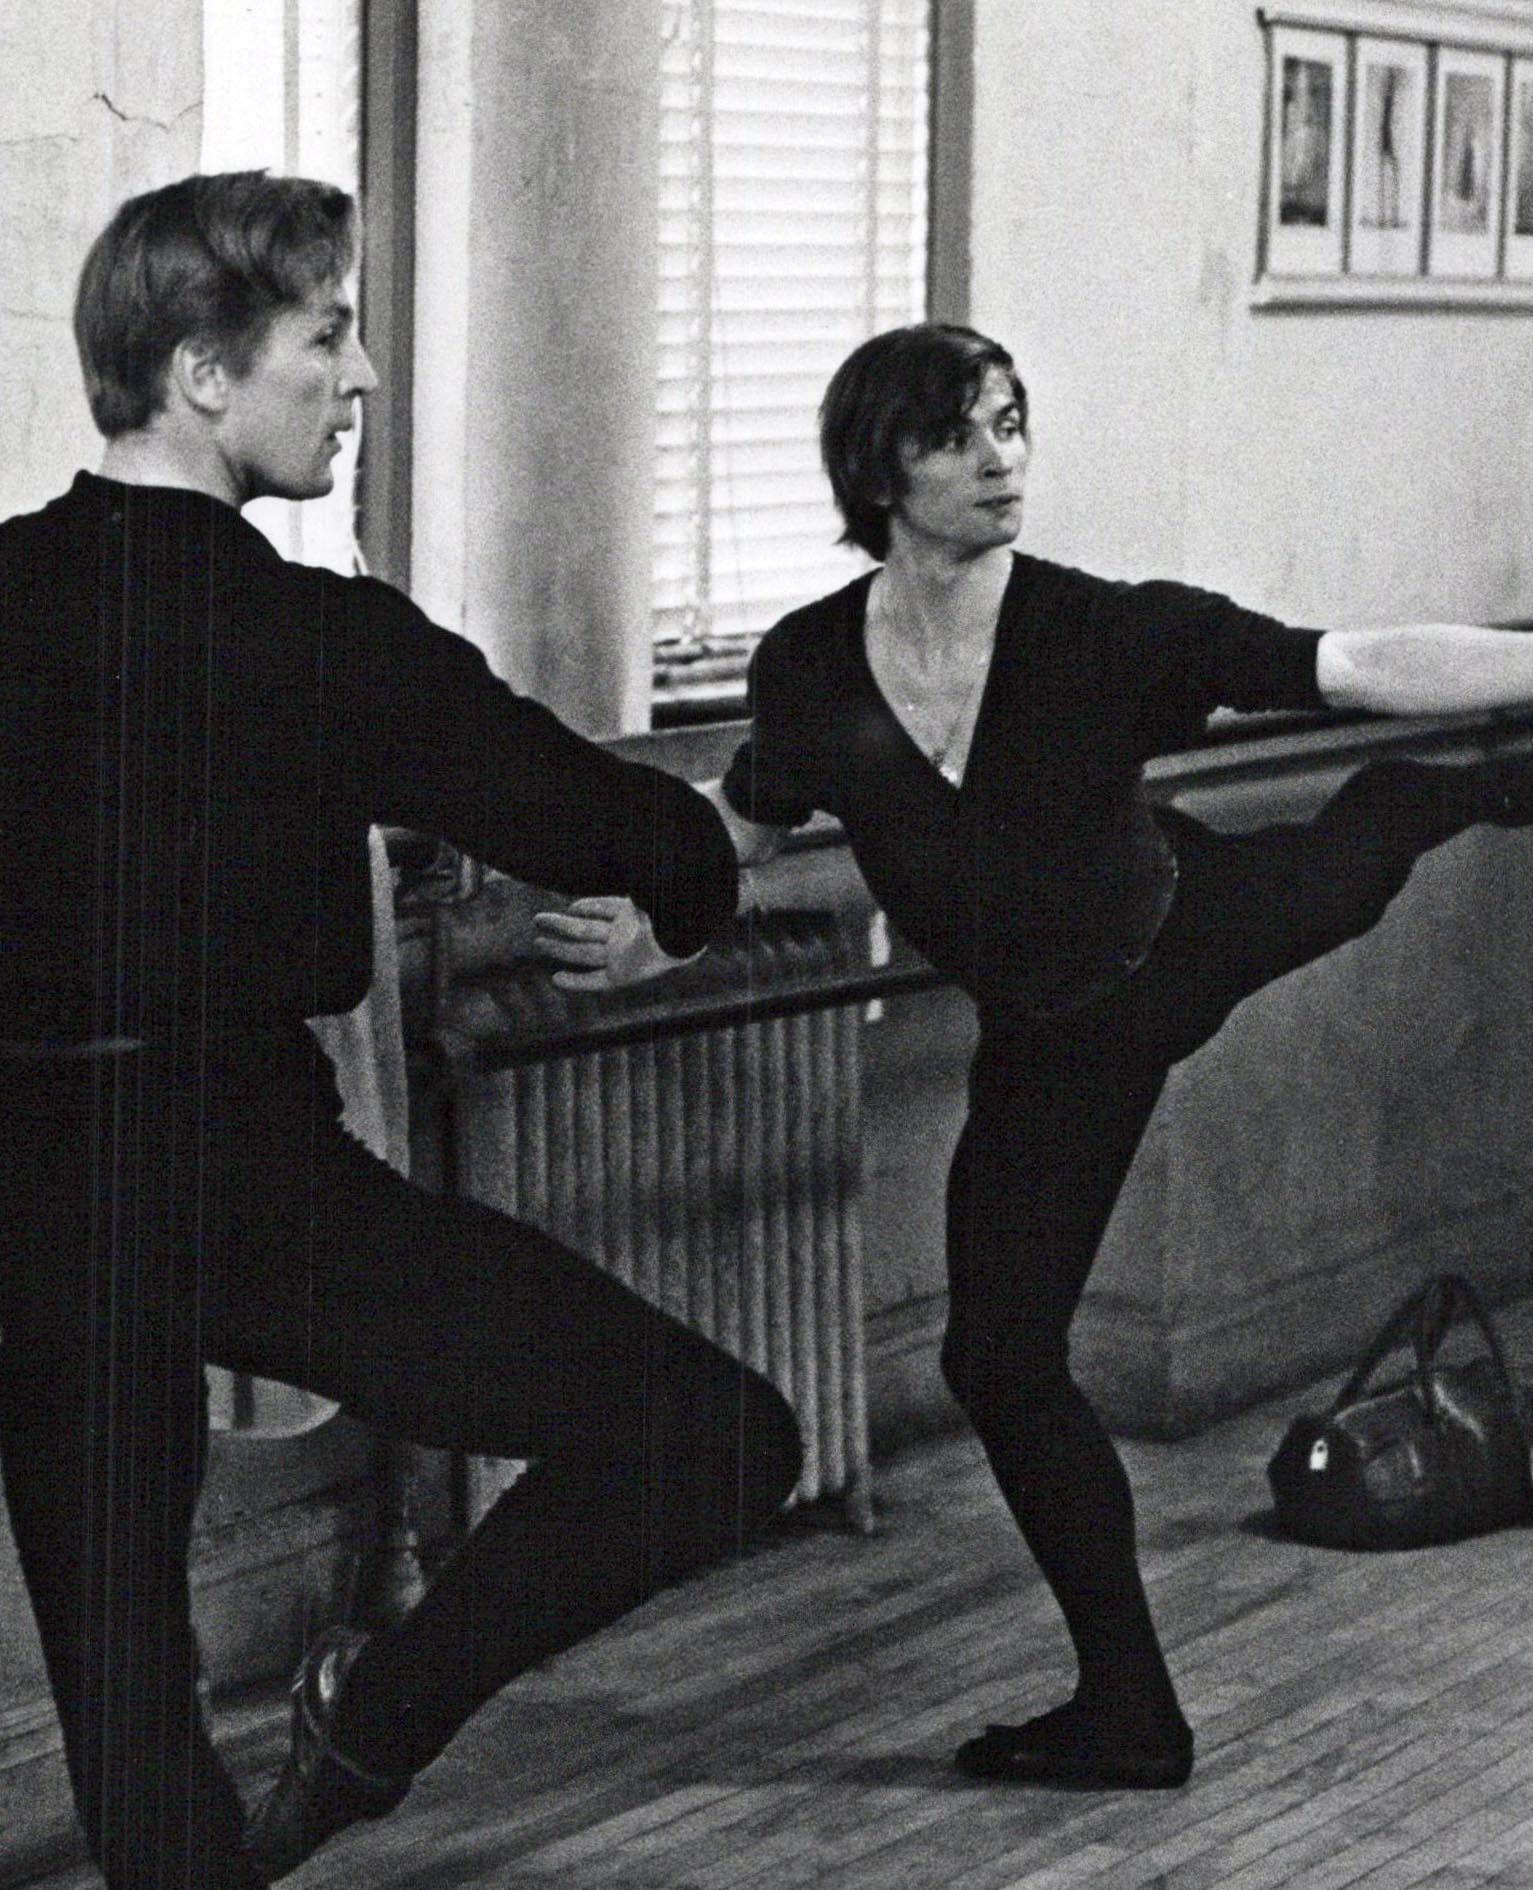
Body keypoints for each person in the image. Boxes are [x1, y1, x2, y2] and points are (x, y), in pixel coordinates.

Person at [542, 322, 1533, 1790]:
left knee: (1359, 839)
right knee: (996, 1357)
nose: (1001, 455)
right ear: (879, 465)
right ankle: (1130, 1710)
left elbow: (1342, 660)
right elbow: (746, 819)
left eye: (1014, 421)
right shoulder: (811, 663)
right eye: (959, 432)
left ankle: (1423, 802)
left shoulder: (1104, 631)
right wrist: (660, 936)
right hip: (1050, 1036)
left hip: (1183, 931)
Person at [0, 170, 802, 1890]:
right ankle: (376, 1718)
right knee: (721, 1434)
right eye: (328, 333)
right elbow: (627, 826)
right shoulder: (319, 639)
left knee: (130, 1717)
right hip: (232, 1168)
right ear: (204, 375)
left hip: (28, 1197)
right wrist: (690, 888)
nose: (358, 379)